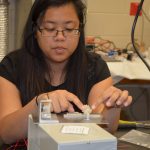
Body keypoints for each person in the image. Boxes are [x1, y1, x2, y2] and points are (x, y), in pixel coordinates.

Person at [0, 0, 132, 147]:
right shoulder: (12, 66)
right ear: (35, 31)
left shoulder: (94, 67)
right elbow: (6, 134)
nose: (60, 37)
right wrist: (39, 104)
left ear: (79, 31)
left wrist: (112, 107)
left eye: (69, 29)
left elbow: (105, 128)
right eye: (50, 29)